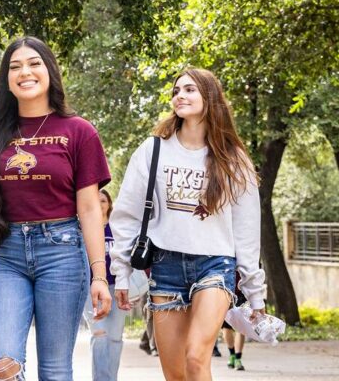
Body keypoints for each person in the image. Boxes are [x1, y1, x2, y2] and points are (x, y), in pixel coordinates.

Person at [0, 36, 112, 380]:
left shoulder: (79, 132)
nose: (24, 72)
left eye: (33, 63)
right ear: (7, 80)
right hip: (7, 255)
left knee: (55, 371)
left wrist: (99, 275)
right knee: (4, 367)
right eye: (15, 67)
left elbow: (89, 209)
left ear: (49, 72)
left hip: (63, 253)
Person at [110, 67, 267, 381]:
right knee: (176, 373)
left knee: (197, 357)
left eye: (189, 90)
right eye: (176, 90)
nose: (179, 95)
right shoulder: (153, 150)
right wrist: (122, 273)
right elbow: (126, 216)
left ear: (210, 97)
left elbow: (247, 230)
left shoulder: (234, 159)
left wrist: (255, 295)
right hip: (166, 267)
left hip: (215, 266)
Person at [88, 189, 126, 381]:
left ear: (109, 204)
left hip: (116, 288)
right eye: (97, 200)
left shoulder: (116, 229)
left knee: (115, 338)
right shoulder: (85, 228)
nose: (101, 203)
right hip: (92, 290)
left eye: (104, 200)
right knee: (100, 335)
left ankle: (111, 378)